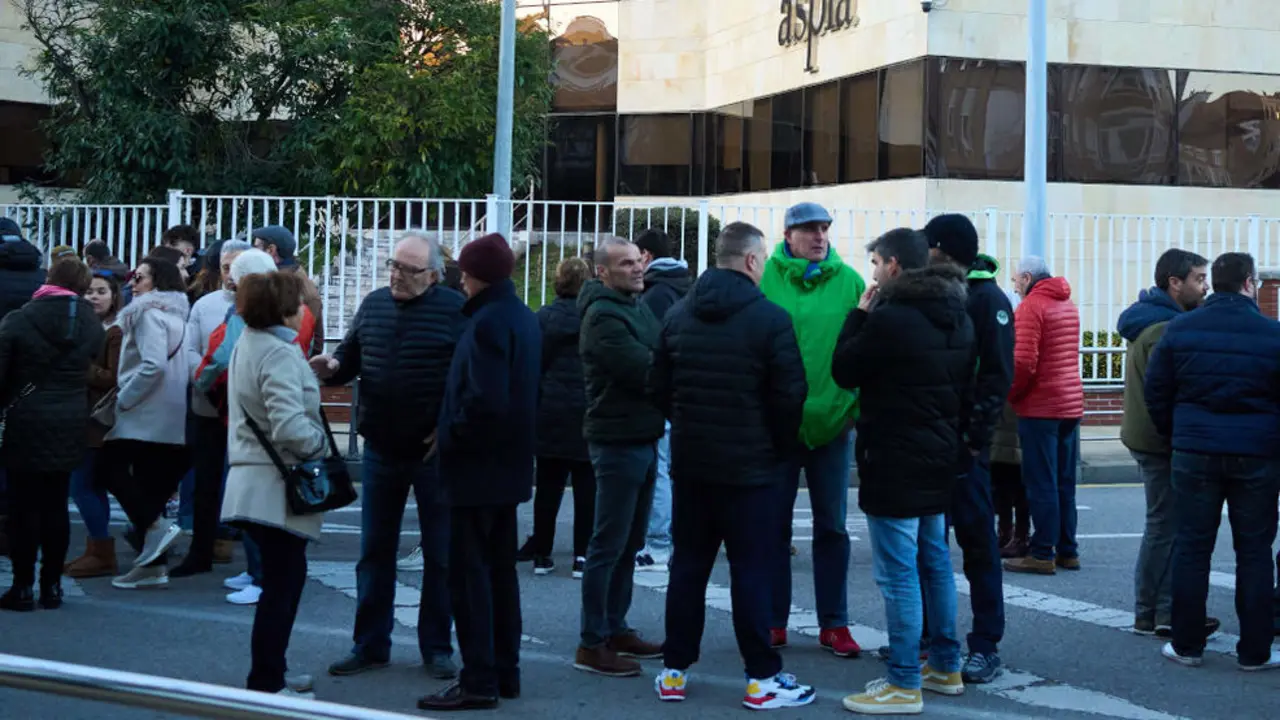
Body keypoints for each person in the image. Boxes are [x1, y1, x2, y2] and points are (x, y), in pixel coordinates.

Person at [650, 222, 815, 709]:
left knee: (689, 567)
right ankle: (761, 677)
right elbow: (791, 395)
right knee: (751, 571)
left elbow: (656, 385)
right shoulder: (770, 319)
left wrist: (686, 424)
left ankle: (674, 670)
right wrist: (779, 448)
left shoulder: (679, 315)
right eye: (762, 260)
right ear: (750, 261)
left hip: (693, 464)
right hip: (751, 470)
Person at [832, 229, 973, 714]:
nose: (871, 272)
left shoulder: (889, 318)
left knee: (899, 576)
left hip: (894, 458)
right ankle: (945, 665)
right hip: (938, 455)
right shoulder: (957, 313)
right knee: (934, 562)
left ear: (892, 266)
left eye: (874, 262)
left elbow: (845, 370)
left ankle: (904, 681)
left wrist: (858, 315)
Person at [314, 232, 462, 681]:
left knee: (441, 555)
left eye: (408, 269)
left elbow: (469, 376)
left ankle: (437, 648)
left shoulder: (456, 311)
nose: (396, 275)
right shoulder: (374, 304)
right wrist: (334, 367)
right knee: (374, 551)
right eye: (393, 266)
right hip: (380, 445)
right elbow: (351, 355)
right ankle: (369, 645)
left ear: (433, 275)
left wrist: (449, 423)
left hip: (433, 453)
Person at [418, 233, 540, 711]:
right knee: (499, 575)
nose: (461, 280)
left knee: (470, 581)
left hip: (476, 471)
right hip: (506, 468)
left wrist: (448, 436)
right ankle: (502, 672)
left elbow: (483, 401)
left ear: (475, 275)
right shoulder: (521, 317)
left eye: (465, 272)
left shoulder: (487, 323)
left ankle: (478, 680)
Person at [1144, 252, 1280, 671]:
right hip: (1257, 454)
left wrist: (1177, 433)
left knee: (1192, 546)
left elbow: (1157, 391)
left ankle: (1187, 645)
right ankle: (1255, 651)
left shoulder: (1180, 329)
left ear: (1213, 284)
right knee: (1254, 551)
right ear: (1248, 283)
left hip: (1194, 451)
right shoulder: (1273, 334)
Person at [759, 202, 865, 657]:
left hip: (834, 423)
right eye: (808, 230)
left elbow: (865, 346)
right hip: (777, 426)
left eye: (824, 228)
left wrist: (853, 407)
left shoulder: (851, 282)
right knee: (773, 528)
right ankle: (773, 620)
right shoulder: (764, 279)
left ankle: (834, 623)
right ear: (787, 234)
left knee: (833, 528)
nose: (819, 237)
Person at [220, 271, 330, 697]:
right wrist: (320, 444)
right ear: (285, 307)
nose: (304, 307)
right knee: (281, 592)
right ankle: (267, 682)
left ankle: (271, 674)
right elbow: (288, 427)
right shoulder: (280, 353)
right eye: (299, 301)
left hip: (253, 481)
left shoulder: (248, 342)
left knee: (276, 589)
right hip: (276, 488)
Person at [920, 214, 1014, 683]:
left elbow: (997, 376)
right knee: (926, 546)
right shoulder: (929, 292)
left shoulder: (987, 299)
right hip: (928, 443)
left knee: (978, 545)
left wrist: (975, 439)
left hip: (963, 449)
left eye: (927, 246)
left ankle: (985, 643)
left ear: (942, 249)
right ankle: (929, 637)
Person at [573, 236, 666, 678]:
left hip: (643, 436)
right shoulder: (603, 315)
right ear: (601, 273)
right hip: (617, 440)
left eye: (638, 261)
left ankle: (616, 626)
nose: (637, 268)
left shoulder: (634, 305)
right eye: (625, 263)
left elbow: (659, 353)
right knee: (608, 545)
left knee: (630, 543)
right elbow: (645, 368)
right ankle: (593, 642)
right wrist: (665, 364)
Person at [1116, 249, 1212, 638]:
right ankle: (1156, 611)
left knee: (1165, 523)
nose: (1205, 287)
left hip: (1150, 435)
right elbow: (1169, 391)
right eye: (1198, 279)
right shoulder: (1164, 328)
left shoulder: (1154, 318)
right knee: (1165, 525)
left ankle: (1158, 610)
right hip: (1159, 439)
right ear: (1175, 282)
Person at [0, 259, 105, 611]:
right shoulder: (91, 323)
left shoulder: (21, 318)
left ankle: (22, 586)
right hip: (71, 418)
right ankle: (52, 586)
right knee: (56, 504)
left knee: (22, 507)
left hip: (25, 419)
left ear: (50, 280)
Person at [100, 257, 191, 590]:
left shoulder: (147, 314)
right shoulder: (178, 317)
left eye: (139, 277)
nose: (132, 283)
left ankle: (156, 529)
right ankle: (152, 566)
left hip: (143, 411)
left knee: (108, 468)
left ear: (157, 282)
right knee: (149, 490)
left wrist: (125, 398)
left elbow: (153, 366)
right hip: (171, 414)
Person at [171, 240, 252, 578]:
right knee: (205, 480)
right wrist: (202, 376)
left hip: (246, 409)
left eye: (237, 266)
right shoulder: (204, 305)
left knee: (246, 481)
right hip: (207, 404)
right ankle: (200, 550)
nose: (230, 273)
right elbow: (190, 347)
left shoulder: (266, 305)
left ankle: (249, 557)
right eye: (224, 266)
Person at [1002, 257, 1084, 576]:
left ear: (1026, 278)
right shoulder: (1067, 304)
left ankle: (1042, 552)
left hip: (1040, 407)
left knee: (1041, 482)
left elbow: (1023, 363)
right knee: (1065, 481)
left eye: (1015, 281)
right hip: (1070, 403)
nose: (1015, 287)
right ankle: (1068, 550)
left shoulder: (1031, 307)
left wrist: (1011, 395)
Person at [518, 257, 595, 577]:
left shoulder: (543, 318)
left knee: (548, 487)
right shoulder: (593, 317)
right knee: (587, 488)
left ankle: (543, 553)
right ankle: (581, 555)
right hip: (588, 411)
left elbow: (533, 366)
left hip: (550, 410)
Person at [632, 228, 690, 571]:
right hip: (681, 391)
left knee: (660, 471)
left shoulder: (655, 294)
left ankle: (657, 542)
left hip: (663, 393)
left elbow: (650, 344)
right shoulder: (682, 285)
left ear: (647, 256)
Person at [64, 271, 125, 579]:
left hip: (98, 421)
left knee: (83, 486)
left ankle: (101, 550)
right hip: (81, 416)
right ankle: (97, 549)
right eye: (88, 291)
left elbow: (113, 377)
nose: (93, 297)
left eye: (101, 291)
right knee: (89, 486)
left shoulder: (114, 331)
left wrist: (78, 367)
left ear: (114, 296)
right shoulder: (84, 327)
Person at [251, 226, 324, 356]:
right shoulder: (270, 280)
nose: (252, 252)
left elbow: (313, 343)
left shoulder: (302, 291)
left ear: (271, 250)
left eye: (256, 247)